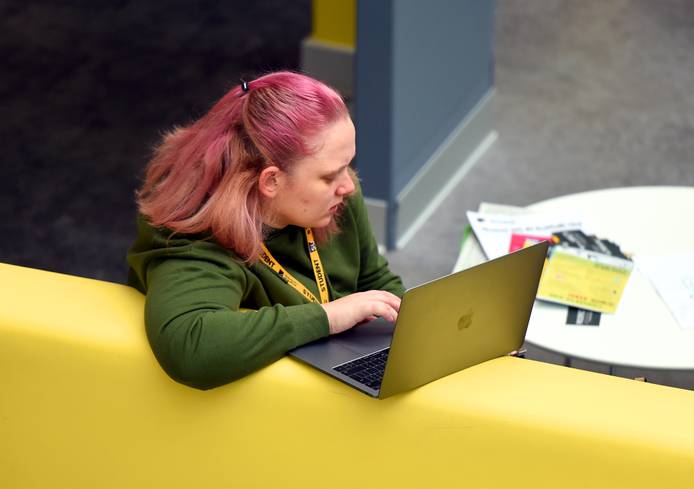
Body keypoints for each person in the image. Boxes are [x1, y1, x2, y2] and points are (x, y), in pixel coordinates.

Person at [127, 71, 405, 390]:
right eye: (329, 177)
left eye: (348, 165)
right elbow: (192, 346)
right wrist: (327, 317)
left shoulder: (336, 198)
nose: (347, 186)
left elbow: (374, 281)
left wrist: (419, 333)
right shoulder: (192, 238)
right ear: (271, 181)